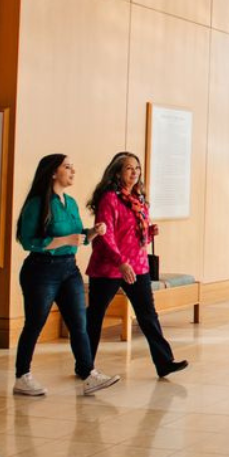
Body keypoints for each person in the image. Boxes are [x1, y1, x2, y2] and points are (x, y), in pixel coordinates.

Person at [13, 154, 120, 396]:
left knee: (79, 323)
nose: (73, 171)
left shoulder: (70, 202)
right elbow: (28, 241)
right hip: (41, 270)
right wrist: (64, 240)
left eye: (73, 167)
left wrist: (92, 232)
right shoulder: (37, 204)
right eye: (67, 167)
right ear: (53, 172)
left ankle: (89, 374)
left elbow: (77, 237)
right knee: (35, 324)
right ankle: (22, 376)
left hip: (69, 269)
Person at [85, 152, 188, 379]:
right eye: (129, 168)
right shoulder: (109, 198)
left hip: (138, 265)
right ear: (117, 172)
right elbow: (106, 235)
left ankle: (164, 362)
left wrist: (149, 233)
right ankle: (85, 365)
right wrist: (120, 262)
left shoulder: (139, 199)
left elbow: (137, 237)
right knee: (95, 316)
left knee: (148, 315)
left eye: (137, 168)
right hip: (110, 266)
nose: (134, 173)